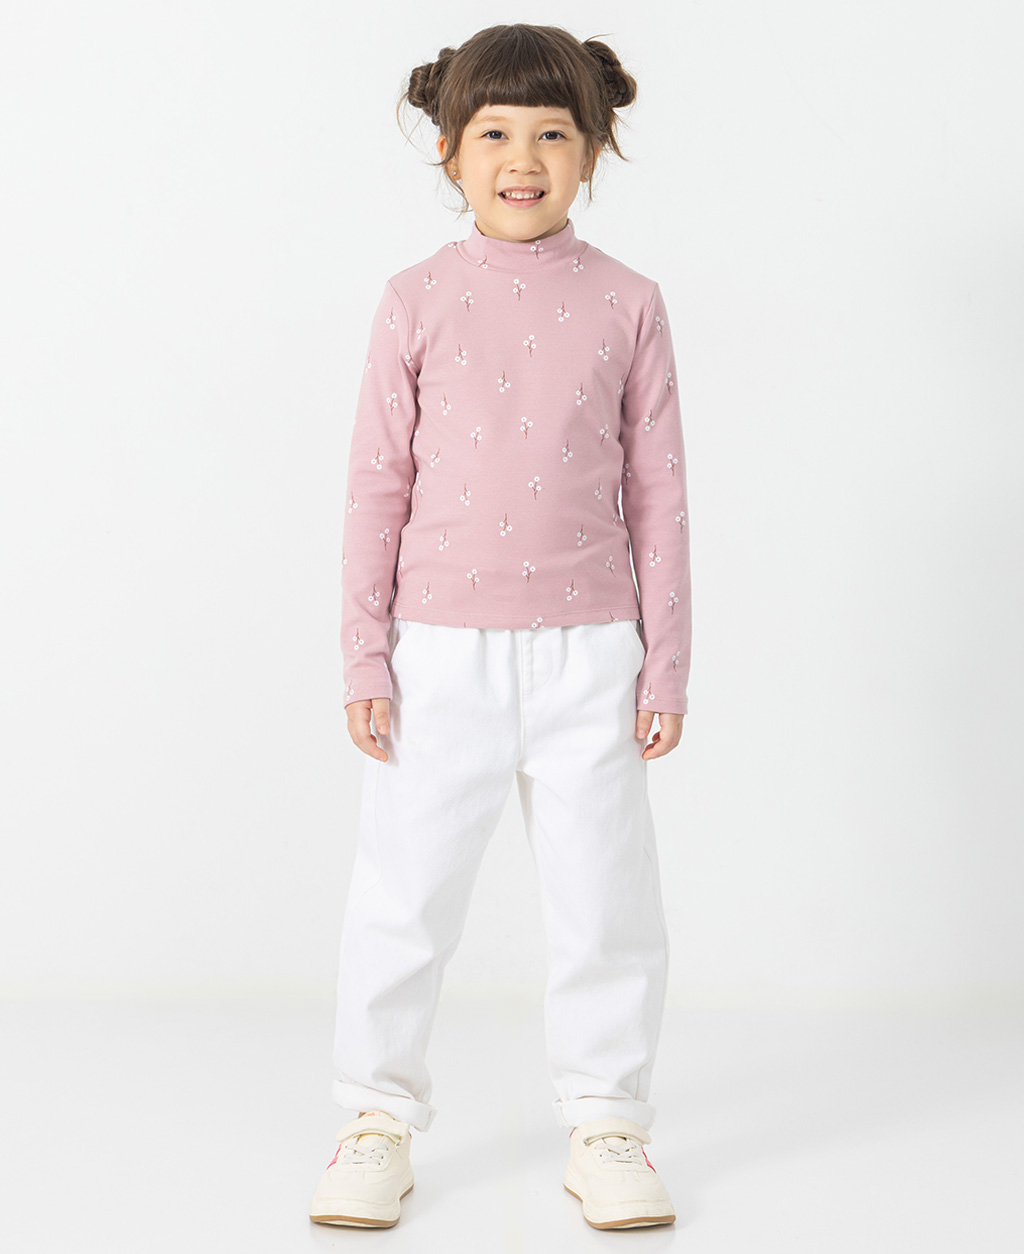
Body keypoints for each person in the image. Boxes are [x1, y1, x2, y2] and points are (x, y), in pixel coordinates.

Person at [309, 22, 691, 1232]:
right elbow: (375, 484)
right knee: (403, 896)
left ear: (593, 149)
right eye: (493, 133)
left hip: (592, 653)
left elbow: (658, 493)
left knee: (605, 902)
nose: (522, 159)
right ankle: (375, 1119)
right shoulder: (414, 300)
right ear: (448, 149)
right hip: (438, 651)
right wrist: (365, 651)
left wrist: (664, 665)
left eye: (551, 134)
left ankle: (608, 1121)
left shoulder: (629, 302)